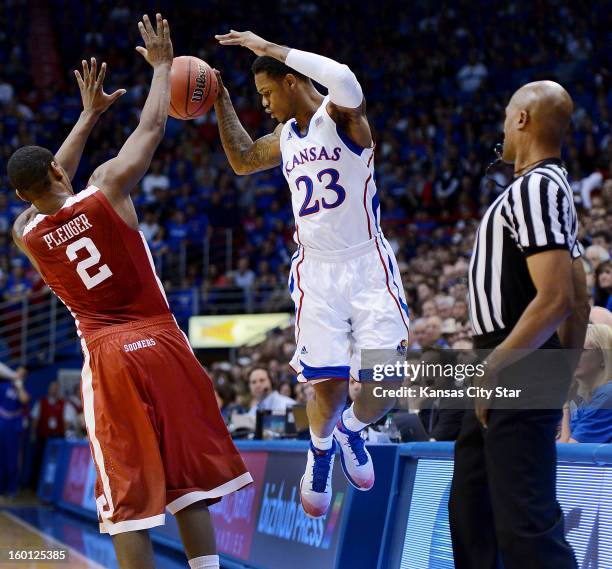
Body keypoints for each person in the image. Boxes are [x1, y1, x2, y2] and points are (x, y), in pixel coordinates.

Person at [8, 15, 250, 569]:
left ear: (22, 193)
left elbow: (45, 184)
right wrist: (163, 68)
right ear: (57, 172)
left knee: (127, 497)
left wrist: (87, 117)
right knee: (188, 476)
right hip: (162, 338)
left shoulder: (25, 233)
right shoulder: (106, 188)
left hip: (107, 354)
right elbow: (151, 130)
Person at [214, 30, 409, 518]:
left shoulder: (342, 117)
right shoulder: (285, 137)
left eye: (266, 93)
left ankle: (348, 431)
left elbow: (343, 77)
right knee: (328, 385)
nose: (264, 105)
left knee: (385, 385)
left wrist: (271, 48)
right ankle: (320, 451)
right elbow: (241, 160)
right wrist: (220, 99)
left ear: (291, 81)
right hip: (316, 272)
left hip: (367, 266)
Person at [449, 81, 590, 569]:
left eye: (507, 114)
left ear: (523, 120)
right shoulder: (545, 189)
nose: (504, 126)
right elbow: (581, 296)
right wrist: (562, 373)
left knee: (523, 525)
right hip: (518, 360)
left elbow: (557, 299)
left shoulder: (536, 188)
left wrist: (496, 370)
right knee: (472, 512)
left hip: (511, 361)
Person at [560, 324, 612, 443]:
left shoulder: (607, 394)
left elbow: (570, 454)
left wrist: (565, 404)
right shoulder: (585, 400)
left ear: (604, 357)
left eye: (582, 350)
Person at [30, 380, 76, 488]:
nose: (54, 390)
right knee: (39, 462)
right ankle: (35, 487)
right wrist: (33, 433)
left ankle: (54, 487)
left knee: (55, 464)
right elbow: (35, 420)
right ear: (49, 389)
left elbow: (66, 422)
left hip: (57, 439)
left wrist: (65, 436)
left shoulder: (64, 404)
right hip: (43, 438)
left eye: (56, 388)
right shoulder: (41, 402)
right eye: (52, 387)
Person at [0, 363, 28, 501]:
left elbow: (25, 399)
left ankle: (12, 490)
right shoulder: (4, 386)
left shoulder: (22, 389)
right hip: (2, 426)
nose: (19, 375)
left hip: (14, 429)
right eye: (18, 372)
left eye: (23, 374)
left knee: (12, 460)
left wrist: (20, 386)